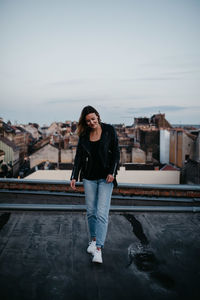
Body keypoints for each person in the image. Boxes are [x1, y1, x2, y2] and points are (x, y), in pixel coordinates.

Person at [70, 105, 120, 264]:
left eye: (93, 118)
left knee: (101, 213)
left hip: (106, 178)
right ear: (85, 122)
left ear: (98, 116)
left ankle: (98, 249)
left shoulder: (109, 130)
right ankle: (92, 240)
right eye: (88, 120)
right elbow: (78, 157)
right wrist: (73, 176)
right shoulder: (84, 135)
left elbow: (116, 153)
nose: (92, 122)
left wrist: (112, 172)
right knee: (91, 212)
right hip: (89, 177)